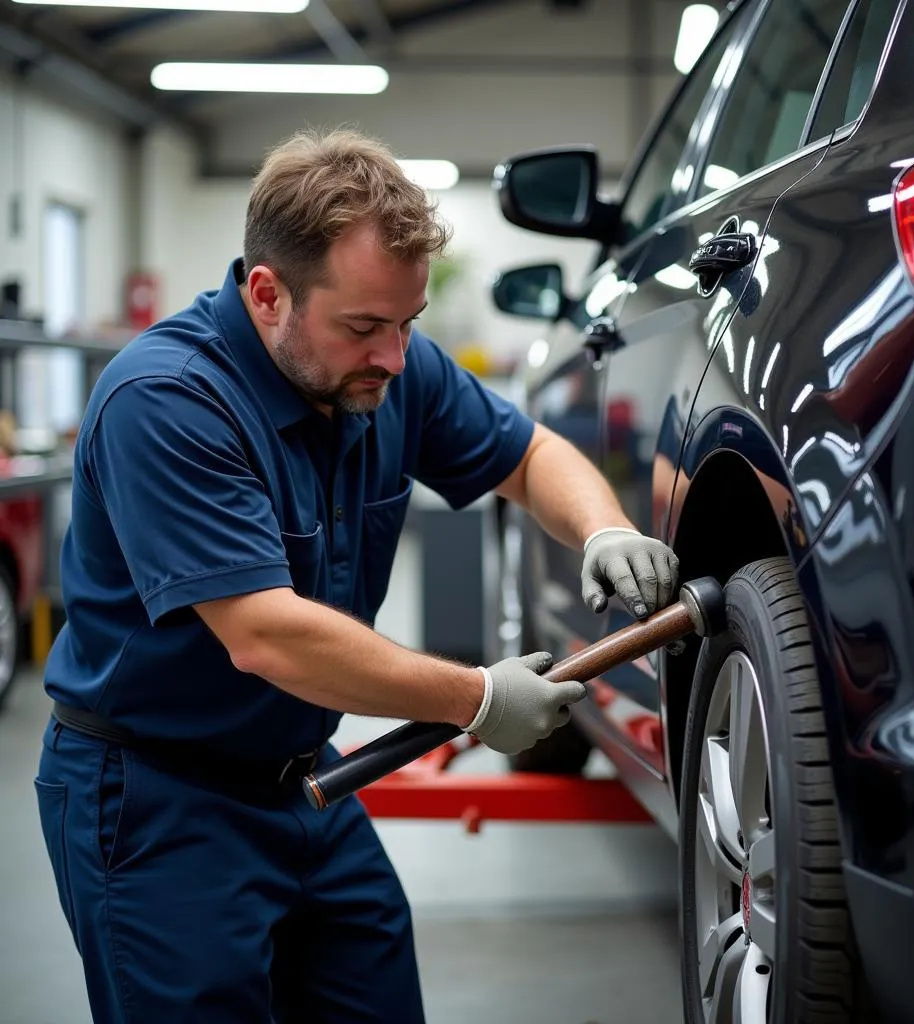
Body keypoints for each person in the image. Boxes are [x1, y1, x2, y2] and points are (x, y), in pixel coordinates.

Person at [34, 127, 681, 1023]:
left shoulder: (385, 370)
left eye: (407, 324)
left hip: (305, 782)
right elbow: (266, 635)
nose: (394, 354)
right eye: (365, 326)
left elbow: (528, 455)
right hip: (156, 803)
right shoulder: (168, 400)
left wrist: (603, 528)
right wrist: (475, 698)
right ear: (268, 294)